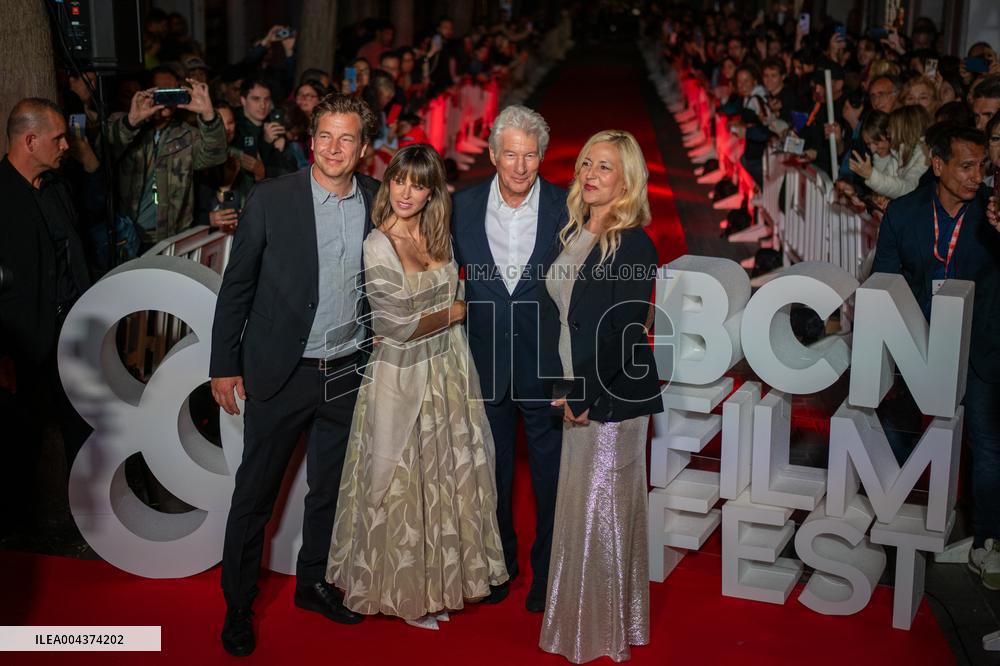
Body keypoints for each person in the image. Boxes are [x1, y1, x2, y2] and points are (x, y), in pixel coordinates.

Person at [210, 94, 381, 656]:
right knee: (255, 495)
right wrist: (223, 365)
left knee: (330, 491)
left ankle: (312, 583)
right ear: (312, 141)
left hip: (348, 371)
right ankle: (237, 607)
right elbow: (236, 288)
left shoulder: (379, 202)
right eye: (325, 136)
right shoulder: (271, 198)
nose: (334, 149)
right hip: (280, 372)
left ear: (363, 147)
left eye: (347, 138)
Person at [327, 144, 507, 630]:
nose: (406, 193)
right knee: (401, 480)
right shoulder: (377, 244)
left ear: (432, 192)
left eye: (418, 184)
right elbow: (395, 325)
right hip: (401, 374)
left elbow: (432, 305)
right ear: (388, 184)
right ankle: (400, 590)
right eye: (399, 181)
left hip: (449, 370)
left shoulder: (439, 236)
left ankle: (439, 585)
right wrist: (459, 311)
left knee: (447, 479)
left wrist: (446, 314)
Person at [538, 129, 662, 663]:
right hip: (576, 388)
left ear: (628, 178)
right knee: (580, 509)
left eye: (605, 166)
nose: (590, 174)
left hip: (612, 398)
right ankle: (582, 621)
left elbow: (625, 329)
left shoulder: (634, 242)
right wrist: (562, 385)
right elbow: (560, 317)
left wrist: (584, 392)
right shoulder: (572, 231)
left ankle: (600, 634)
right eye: (587, 163)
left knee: (602, 513)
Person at [872, 123, 1000, 589]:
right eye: (966, 166)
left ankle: (987, 538)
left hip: (980, 339)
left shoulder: (991, 213)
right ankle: (893, 516)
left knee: (985, 440)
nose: (976, 176)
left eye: (981, 166)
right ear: (938, 163)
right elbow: (885, 275)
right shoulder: (905, 212)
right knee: (899, 421)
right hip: (918, 335)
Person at [451, 105, 567, 612]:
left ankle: (548, 573)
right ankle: (498, 564)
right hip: (484, 366)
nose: (520, 166)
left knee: (551, 478)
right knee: (490, 477)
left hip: (547, 368)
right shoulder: (462, 207)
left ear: (541, 156)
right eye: (511, 154)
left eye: (531, 155)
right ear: (493, 154)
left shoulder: (569, 208)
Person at [0, 98, 91, 534]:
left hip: (73, 333)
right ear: (29, 140)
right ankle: (16, 538)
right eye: (57, 137)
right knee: (20, 443)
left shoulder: (56, 188)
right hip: (21, 346)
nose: (65, 144)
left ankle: (92, 523)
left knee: (85, 429)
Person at [107, 68, 227, 246]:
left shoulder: (186, 136)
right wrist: (132, 121)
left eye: (173, 91)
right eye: (161, 91)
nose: (167, 98)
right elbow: (104, 152)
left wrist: (208, 115)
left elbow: (215, 156)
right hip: (127, 236)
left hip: (170, 239)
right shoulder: (126, 125)